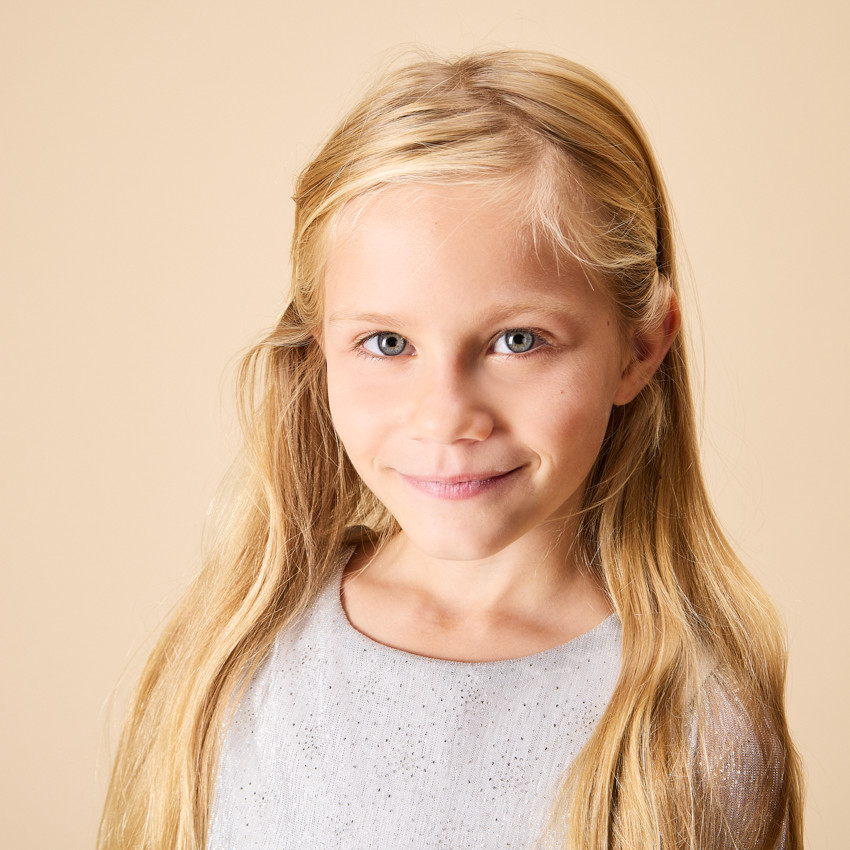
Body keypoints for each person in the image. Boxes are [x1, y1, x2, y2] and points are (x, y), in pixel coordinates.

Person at [98, 50, 803, 849]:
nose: (445, 418)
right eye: (387, 342)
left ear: (640, 347)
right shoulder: (232, 658)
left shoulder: (694, 718)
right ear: (321, 348)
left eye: (518, 340)